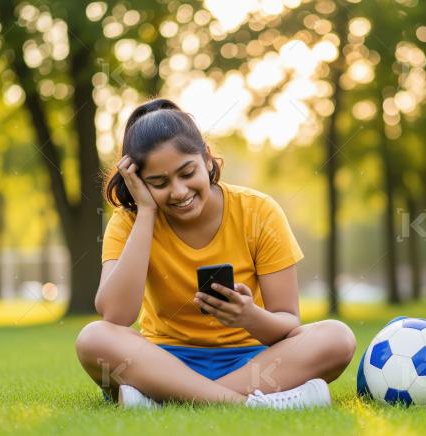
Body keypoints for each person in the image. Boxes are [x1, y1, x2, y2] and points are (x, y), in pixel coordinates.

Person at [74, 98, 357, 409]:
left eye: (187, 172)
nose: (179, 191)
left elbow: (288, 322)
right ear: (139, 182)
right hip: (164, 363)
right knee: (93, 339)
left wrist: (249, 317)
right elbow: (116, 316)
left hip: (252, 364)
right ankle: (251, 404)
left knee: (337, 337)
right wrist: (146, 213)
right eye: (159, 182)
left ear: (207, 158)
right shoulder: (129, 221)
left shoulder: (259, 212)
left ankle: (168, 400)